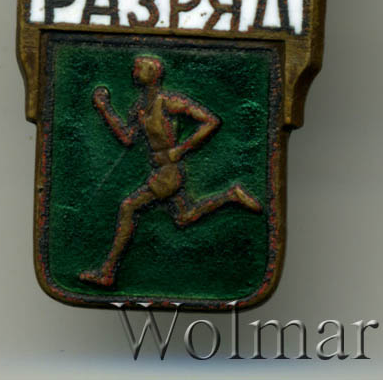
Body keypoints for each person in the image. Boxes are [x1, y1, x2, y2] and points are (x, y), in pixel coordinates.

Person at [79, 56, 262, 287]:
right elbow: (127, 138)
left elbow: (211, 121)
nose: (134, 71)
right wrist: (105, 109)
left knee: (128, 207)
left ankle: (107, 272)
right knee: (184, 216)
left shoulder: (167, 102)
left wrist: (179, 150)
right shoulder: (139, 108)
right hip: (162, 170)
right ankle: (230, 196)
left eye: (138, 68)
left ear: (151, 73)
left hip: (169, 172)